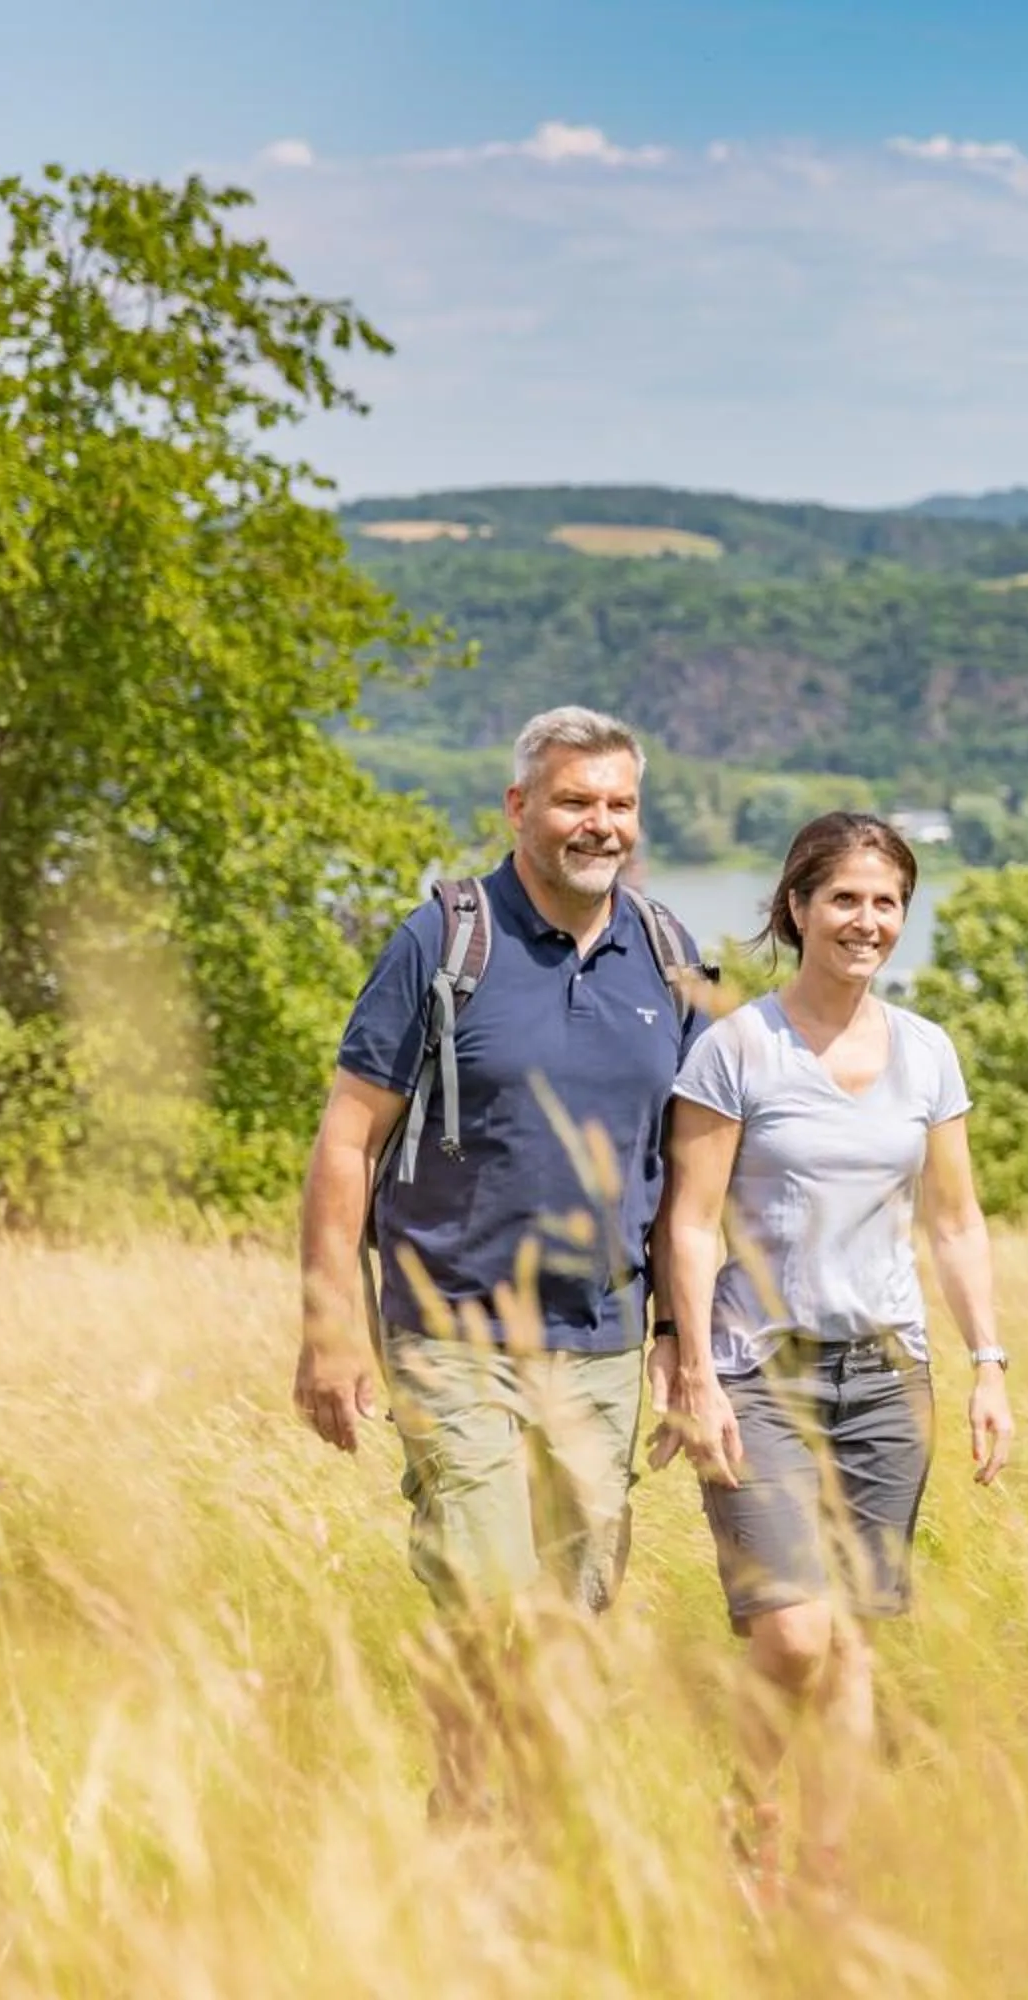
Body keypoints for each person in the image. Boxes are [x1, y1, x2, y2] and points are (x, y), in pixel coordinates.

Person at [293, 705, 703, 1821]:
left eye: (619, 803)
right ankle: (469, 1843)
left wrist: (679, 1340)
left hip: (604, 1347)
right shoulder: (442, 941)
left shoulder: (668, 956)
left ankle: (519, 1850)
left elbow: (691, 1176)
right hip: (452, 1333)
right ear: (519, 806)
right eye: (575, 799)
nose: (600, 823)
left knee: (569, 1625)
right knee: (486, 1606)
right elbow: (347, 1139)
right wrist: (331, 1326)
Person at [652, 809, 1013, 1892]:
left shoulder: (927, 1053)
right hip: (759, 1374)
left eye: (887, 901)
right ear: (798, 906)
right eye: (845, 898)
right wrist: (695, 1373)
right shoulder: (737, 1046)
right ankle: (752, 1818)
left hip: (886, 1379)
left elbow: (955, 1221)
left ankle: (825, 1871)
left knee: (853, 1638)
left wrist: (989, 1361)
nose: (867, 921)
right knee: (796, 1635)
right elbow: (690, 1220)